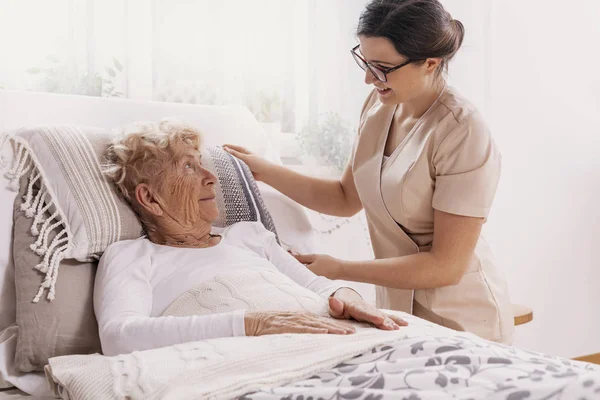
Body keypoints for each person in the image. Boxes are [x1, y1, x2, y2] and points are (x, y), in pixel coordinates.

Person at [224, 0, 513, 343]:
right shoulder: (380, 104)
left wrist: (340, 269)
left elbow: (446, 265)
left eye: (381, 67)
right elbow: (345, 198)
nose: (367, 78)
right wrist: (264, 170)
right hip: (397, 311)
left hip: (462, 317)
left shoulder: (462, 131)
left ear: (430, 63)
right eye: (364, 61)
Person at [95, 120, 407, 357]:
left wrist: (350, 297)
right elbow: (119, 336)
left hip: (335, 345)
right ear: (150, 198)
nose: (211, 177)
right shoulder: (131, 256)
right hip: (261, 362)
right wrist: (253, 324)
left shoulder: (249, 235)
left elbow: (317, 286)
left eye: (201, 163)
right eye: (189, 166)